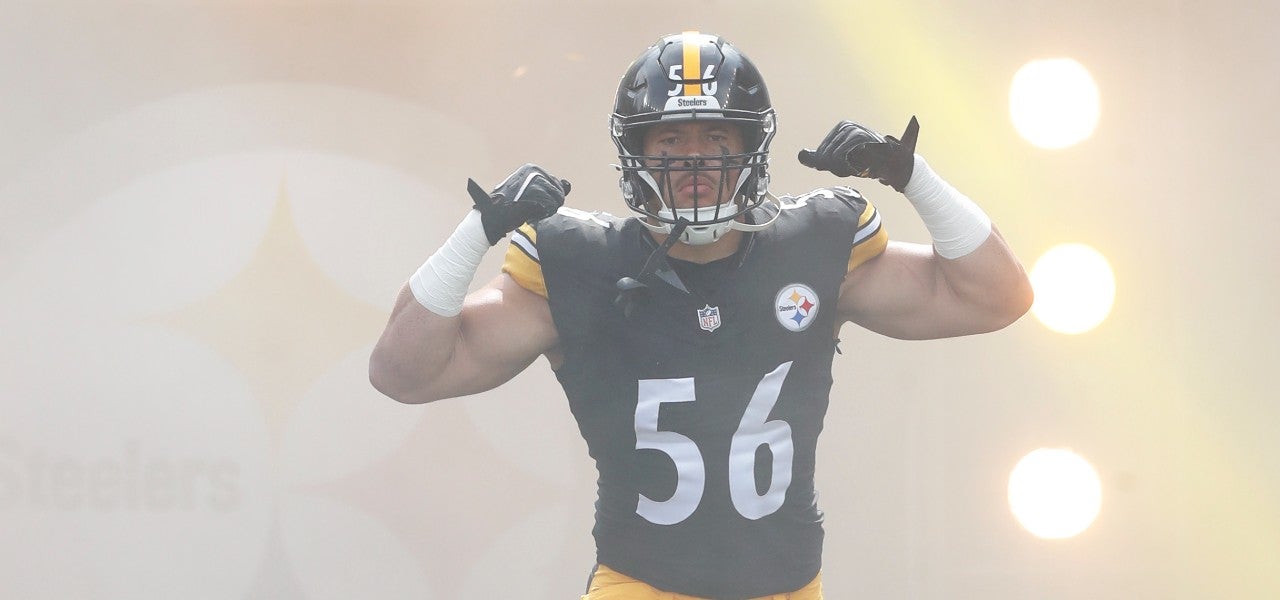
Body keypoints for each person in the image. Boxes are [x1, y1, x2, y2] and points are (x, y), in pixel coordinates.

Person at [370, 31, 1033, 600]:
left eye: (715, 135)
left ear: (750, 146)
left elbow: (999, 296)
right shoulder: (579, 263)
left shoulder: (815, 248)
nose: (694, 158)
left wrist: (915, 178)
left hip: (789, 589)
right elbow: (403, 371)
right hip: (641, 586)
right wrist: (475, 233)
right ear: (637, 151)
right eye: (670, 138)